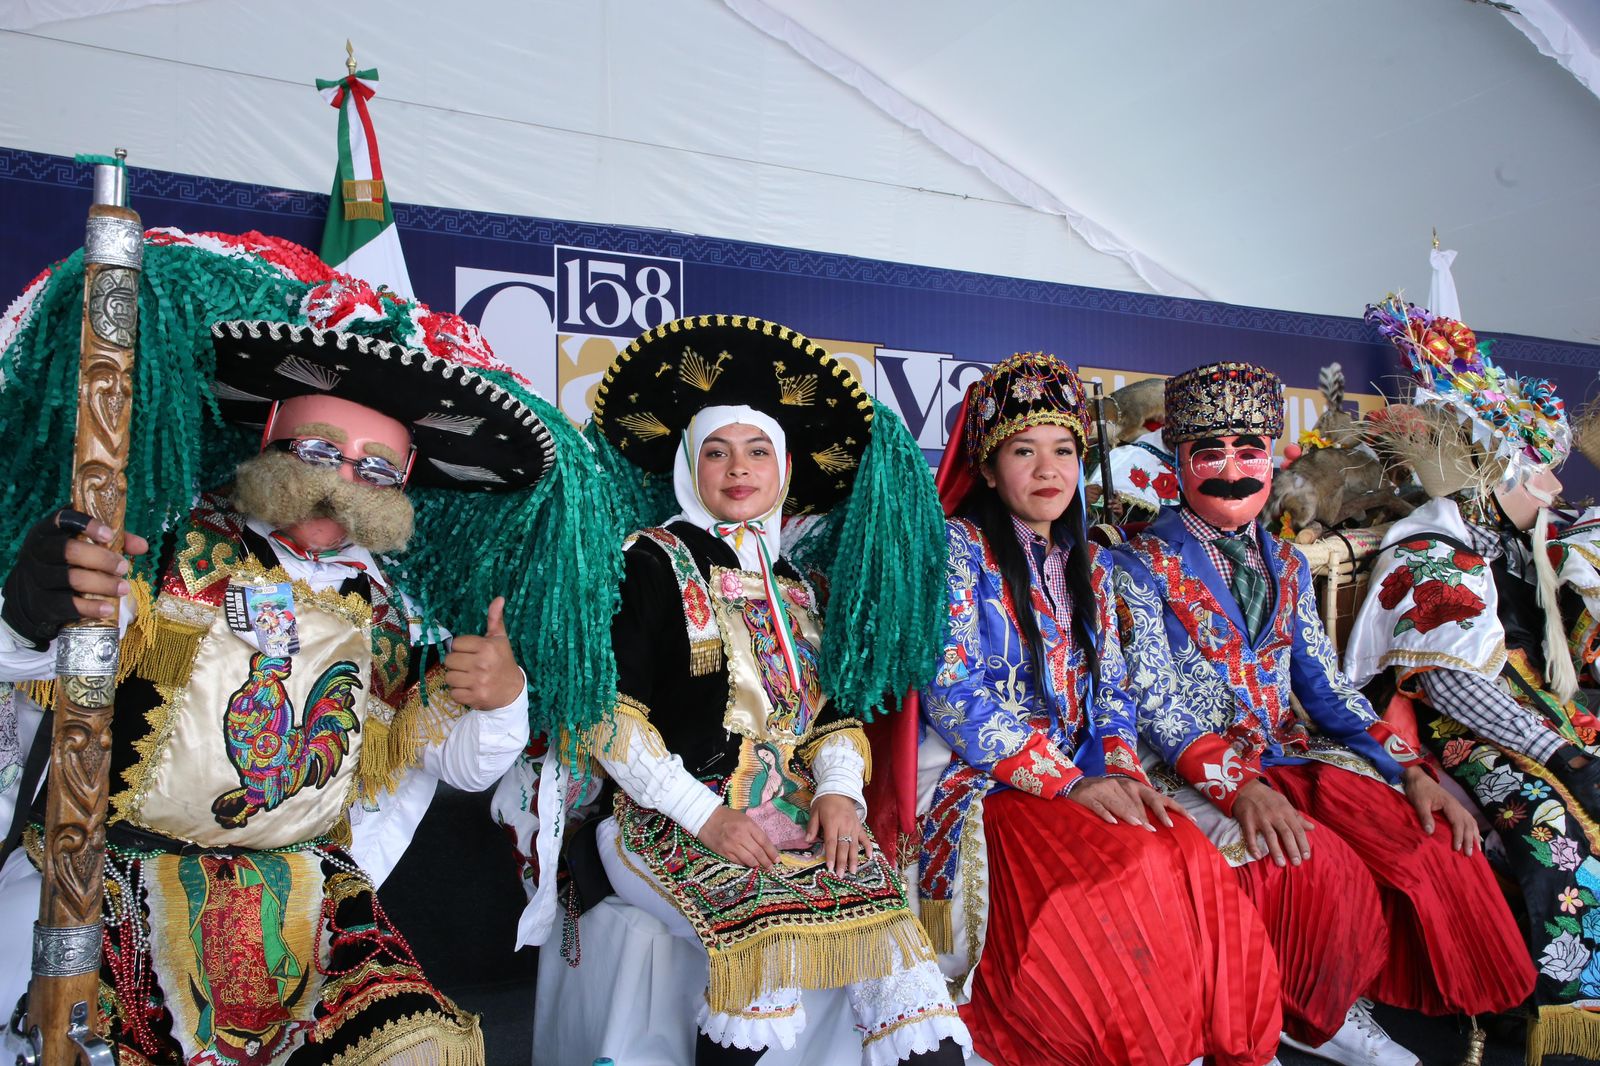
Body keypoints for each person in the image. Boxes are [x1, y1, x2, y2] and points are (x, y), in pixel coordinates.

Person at [0, 230, 620, 1065]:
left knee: (419, 1049)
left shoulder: (390, 614)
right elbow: (38, 669)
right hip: (118, 882)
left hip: (303, 900)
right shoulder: (169, 545)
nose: (340, 482)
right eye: (322, 451)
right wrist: (32, 614)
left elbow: (460, 766)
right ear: (269, 437)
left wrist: (503, 699)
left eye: (375, 468)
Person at [547, 315, 970, 1066]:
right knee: (765, 952)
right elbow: (610, 718)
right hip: (667, 819)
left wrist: (838, 793)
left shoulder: (796, 584)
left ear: (783, 469)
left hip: (796, 816)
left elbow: (832, 717)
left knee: (903, 967)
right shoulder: (646, 562)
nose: (738, 468)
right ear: (690, 466)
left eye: (757, 451)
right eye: (717, 451)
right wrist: (705, 815)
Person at [1111, 359, 1535, 1066]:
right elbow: (1157, 706)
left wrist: (1411, 770)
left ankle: (1459, 1011)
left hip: (1288, 753)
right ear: (1178, 462)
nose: (1233, 471)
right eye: (1210, 453)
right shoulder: (1136, 565)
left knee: (1431, 839)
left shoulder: (1285, 562)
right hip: (1194, 769)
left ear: (1272, 459)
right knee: (1313, 861)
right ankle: (1317, 1010)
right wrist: (1239, 788)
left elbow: (1328, 690)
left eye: (1250, 452)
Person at [915, 352, 1282, 1066]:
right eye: (1023, 451)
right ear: (987, 468)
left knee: (1188, 853)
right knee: (1125, 869)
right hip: (987, 779)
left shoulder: (1093, 561)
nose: (1047, 470)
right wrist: (1070, 784)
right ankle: (1139, 1045)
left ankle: (1221, 1042)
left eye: (1063, 450)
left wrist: (1121, 774)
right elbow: (952, 693)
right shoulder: (954, 550)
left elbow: (1113, 691)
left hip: (1084, 770)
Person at [1346, 298, 1600, 1063]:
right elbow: (1450, 683)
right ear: (1503, 468)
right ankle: (1552, 1005)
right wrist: (1561, 757)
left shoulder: (1516, 540)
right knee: (1554, 823)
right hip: (1453, 729)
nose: (1554, 487)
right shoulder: (1432, 545)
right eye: (1542, 470)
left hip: (1536, 707)